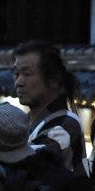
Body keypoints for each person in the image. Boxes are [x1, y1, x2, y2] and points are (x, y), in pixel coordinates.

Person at [12, 41, 86, 178]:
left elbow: (27, 163)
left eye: (27, 74)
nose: (19, 82)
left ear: (54, 80)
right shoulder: (24, 121)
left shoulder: (66, 123)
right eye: (16, 74)